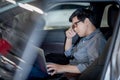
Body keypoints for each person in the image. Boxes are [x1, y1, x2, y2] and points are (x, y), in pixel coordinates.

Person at [46, 8, 106, 78]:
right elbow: (69, 54)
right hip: (69, 68)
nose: (74, 28)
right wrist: (69, 38)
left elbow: (93, 68)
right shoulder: (85, 38)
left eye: (75, 24)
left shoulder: (97, 40)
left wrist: (62, 68)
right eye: (73, 26)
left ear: (86, 21)